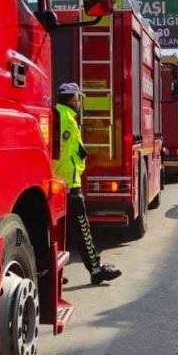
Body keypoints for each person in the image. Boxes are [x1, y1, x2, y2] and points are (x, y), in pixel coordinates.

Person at [54, 83, 122, 285]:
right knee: (82, 229)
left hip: (59, 182)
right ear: (71, 99)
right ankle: (95, 270)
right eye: (78, 99)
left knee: (57, 231)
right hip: (68, 183)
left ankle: (54, 274)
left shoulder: (58, 114)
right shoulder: (66, 119)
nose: (79, 102)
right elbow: (63, 152)